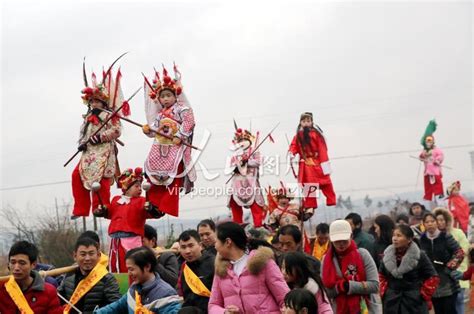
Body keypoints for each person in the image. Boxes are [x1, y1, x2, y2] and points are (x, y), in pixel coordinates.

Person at [71, 65, 125, 218]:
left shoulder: (109, 115)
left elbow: (117, 130)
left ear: (103, 102)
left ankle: (101, 207)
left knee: (102, 180)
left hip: (103, 151)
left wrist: (101, 137)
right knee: (76, 176)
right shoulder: (88, 117)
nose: (94, 104)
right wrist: (81, 143)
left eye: (97, 101)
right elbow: (83, 133)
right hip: (89, 152)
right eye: (92, 101)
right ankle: (80, 209)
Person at [142, 65, 196, 217]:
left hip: (176, 147)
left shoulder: (182, 109)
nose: (165, 99)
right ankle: (154, 203)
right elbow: (155, 128)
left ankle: (168, 205)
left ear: (175, 95)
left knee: (174, 176)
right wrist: (148, 129)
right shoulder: (160, 114)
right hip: (159, 146)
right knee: (151, 168)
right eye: (162, 96)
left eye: (168, 95)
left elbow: (189, 122)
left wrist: (180, 135)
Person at [208, 221, 289, 313]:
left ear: (228, 242)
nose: (215, 246)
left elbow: (285, 299)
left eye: (216, 242)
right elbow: (213, 305)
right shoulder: (221, 270)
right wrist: (224, 312)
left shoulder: (263, 263)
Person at [95, 167, 164, 273]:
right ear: (126, 188)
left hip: (133, 239)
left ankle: (135, 285)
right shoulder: (116, 200)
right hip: (115, 240)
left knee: (134, 264)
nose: (140, 189)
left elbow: (154, 213)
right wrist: (102, 210)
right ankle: (120, 287)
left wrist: (151, 209)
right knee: (116, 264)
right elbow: (108, 212)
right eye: (136, 186)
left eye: (140, 186)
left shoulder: (142, 201)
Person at [95, 246, 181, 313]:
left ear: (147, 266)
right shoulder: (134, 288)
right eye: (128, 269)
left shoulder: (166, 294)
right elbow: (118, 306)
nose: (129, 273)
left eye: (131, 269)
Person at [321, 220, 381, 314]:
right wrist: (339, 287)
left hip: (364, 308)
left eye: (344, 240)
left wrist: (349, 286)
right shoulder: (326, 260)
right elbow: (324, 292)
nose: (341, 244)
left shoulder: (362, 254)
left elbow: (375, 285)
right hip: (338, 309)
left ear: (351, 236)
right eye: (337, 241)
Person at [379, 224, 440, 314]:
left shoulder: (420, 255)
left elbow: (433, 277)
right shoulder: (387, 255)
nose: (394, 238)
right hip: (391, 302)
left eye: (399, 236)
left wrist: (422, 294)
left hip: (414, 302)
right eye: (394, 235)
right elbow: (381, 275)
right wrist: (385, 292)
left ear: (409, 239)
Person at [58, 237, 121, 313]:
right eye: (83, 254)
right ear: (75, 256)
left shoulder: (107, 278)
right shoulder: (69, 276)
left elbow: (116, 306)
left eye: (91, 254)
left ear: (98, 255)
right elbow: (57, 299)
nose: (87, 258)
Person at [289, 112, 336, 211]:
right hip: (305, 164)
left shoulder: (317, 135)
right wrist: (292, 153)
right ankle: (310, 204)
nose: (306, 123)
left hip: (317, 161)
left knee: (325, 182)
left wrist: (325, 163)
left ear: (311, 122)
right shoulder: (298, 136)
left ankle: (331, 199)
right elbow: (294, 146)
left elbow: (322, 149)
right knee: (308, 184)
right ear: (300, 123)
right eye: (304, 121)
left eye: (308, 121)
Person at [0, 241, 63, 314]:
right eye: (13, 262)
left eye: (22, 263)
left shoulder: (48, 291)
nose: (16, 268)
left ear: (33, 264)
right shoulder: (2, 288)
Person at [419, 212, 464, 313]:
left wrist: (449, 268)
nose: (430, 224)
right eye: (427, 222)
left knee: (450, 310)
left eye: (432, 221)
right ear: (423, 224)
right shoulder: (421, 240)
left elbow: (459, 253)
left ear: (436, 223)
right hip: (431, 282)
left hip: (447, 281)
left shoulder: (445, 236)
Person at [433, 207, 470, 314]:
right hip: (441, 276)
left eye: (442, 220)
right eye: (437, 220)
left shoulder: (457, 233)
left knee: (459, 300)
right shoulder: (432, 237)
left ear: (447, 220)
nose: (439, 223)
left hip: (458, 272)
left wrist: (453, 267)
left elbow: (464, 251)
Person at [227, 127, 265, 227]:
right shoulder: (235, 154)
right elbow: (231, 166)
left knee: (256, 204)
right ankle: (237, 225)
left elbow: (258, 162)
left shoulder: (254, 151)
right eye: (240, 140)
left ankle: (258, 226)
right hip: (238, 182)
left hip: (251, 181)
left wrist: (247, 161)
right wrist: (239, 164)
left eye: (244, 140)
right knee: (234, 203)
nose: (242, 142)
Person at [177, 230, 214, 312]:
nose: (187, 251)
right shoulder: (184, 267)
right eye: (183, 247)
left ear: (200, 245)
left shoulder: (213, 264)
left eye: (191, 246)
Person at [267, 184, 312, 253]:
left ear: (289, 199)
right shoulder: (275, 212)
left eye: (285, 198)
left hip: (299, 233)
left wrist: (307, 213)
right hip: (285, 236)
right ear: (278, 200)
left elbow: (306, 214)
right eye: (281, 198)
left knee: (302, 250)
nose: (283, 200)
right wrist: (271, 228)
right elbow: (272, 225)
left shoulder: (296, 207)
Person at [419, 119, 444, 202]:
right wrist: (423, 156)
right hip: (427, 171)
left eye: (430, 141)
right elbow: (421, 157)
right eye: (427, 141)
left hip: (434, 171)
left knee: (437, 184)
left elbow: (441, 156)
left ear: (433, 141)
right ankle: (428, 197)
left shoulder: (436, 150)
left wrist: (437, 160)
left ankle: (439, 195)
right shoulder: (425, 150)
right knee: (428, 185)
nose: (428, 143)